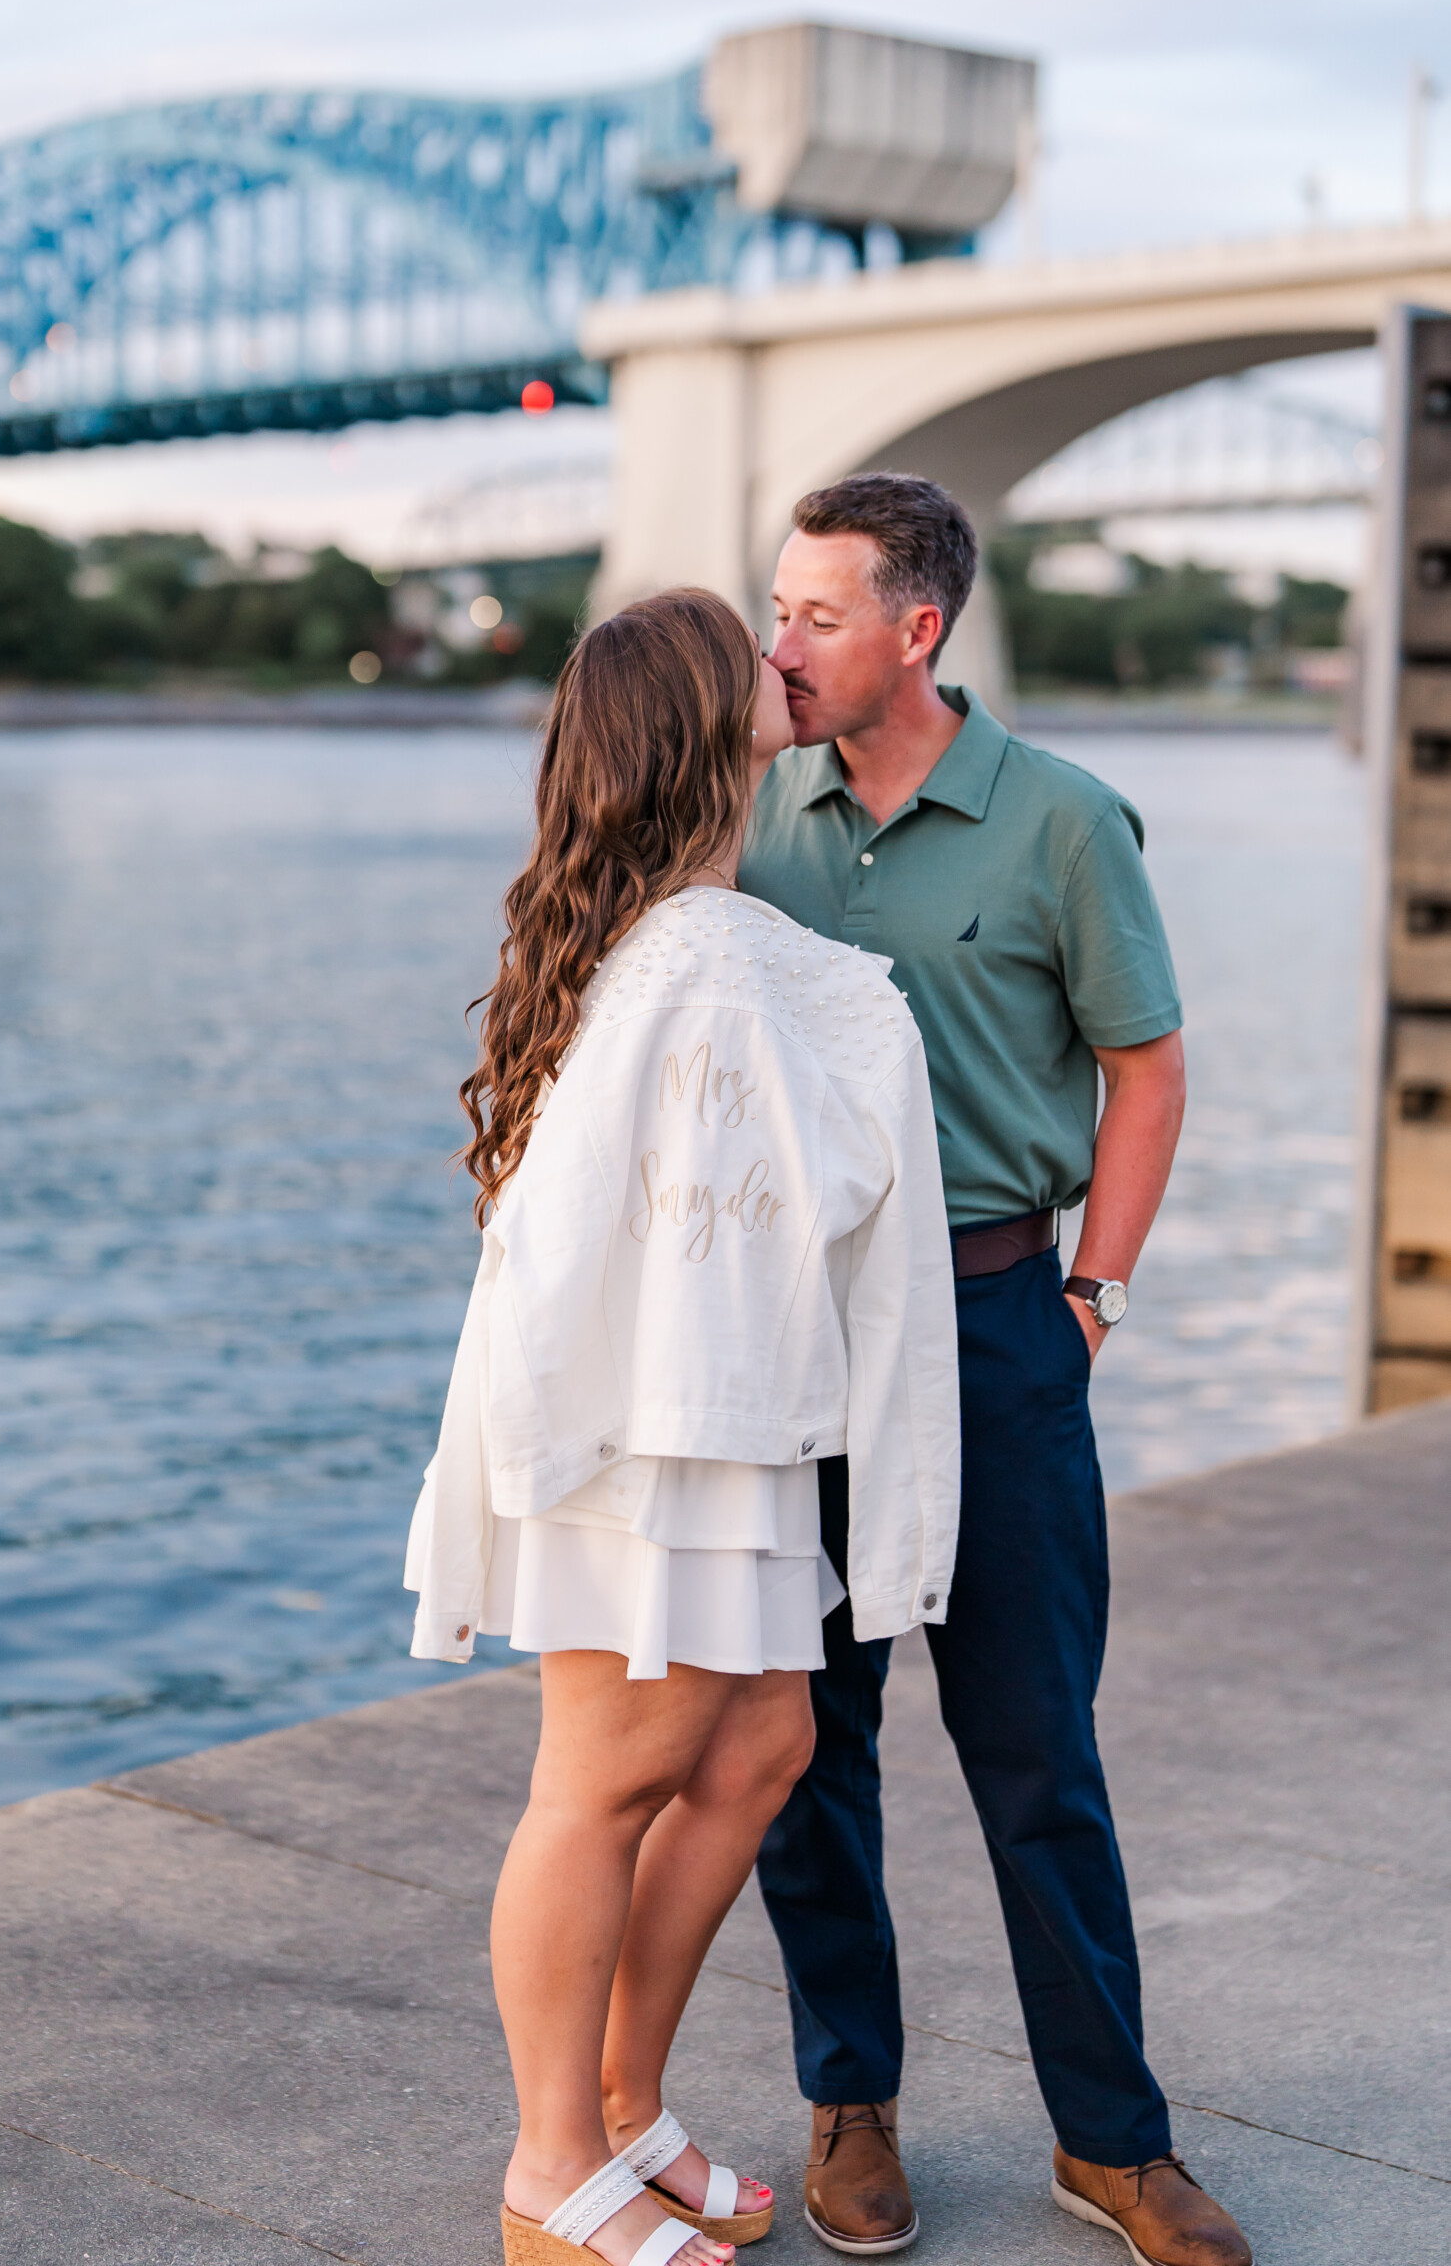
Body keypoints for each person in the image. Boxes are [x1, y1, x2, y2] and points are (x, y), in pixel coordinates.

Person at [406, 588, 961, 2266]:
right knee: (607, 1776)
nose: (789, 662)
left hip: (718, 1422)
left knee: (761, 1750)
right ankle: (548, 2161)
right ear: (709, 726)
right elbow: (606, 1237)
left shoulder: (684, 937)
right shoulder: (721, 962)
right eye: (760, 649)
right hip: (652, 1433)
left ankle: (626, 2101)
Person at [739, 474, 1252, 2266]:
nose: (777, 643)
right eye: (776, 607)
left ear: (919, 629)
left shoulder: (1059, 823)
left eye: (813, 615)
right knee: (808, 1744)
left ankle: (1112, 2142)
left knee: (1038, 1754)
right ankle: (849, 2100)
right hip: (794, 1342)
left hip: (992, 1323)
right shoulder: (744, 814)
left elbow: (1150, 1067)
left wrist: (1089, 1295)